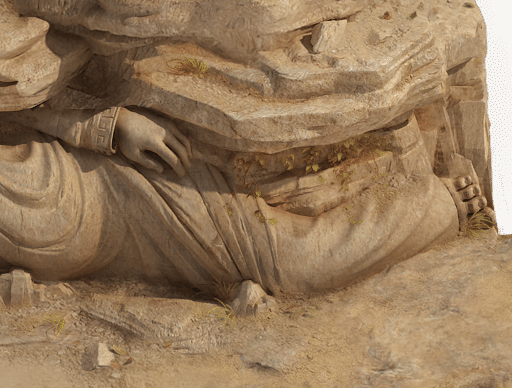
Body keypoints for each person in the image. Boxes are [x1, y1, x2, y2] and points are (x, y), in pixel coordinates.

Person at [0, 5, 494, 298]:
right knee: (292, 266)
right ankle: (438, 206)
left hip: (115, 172)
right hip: (147, 238)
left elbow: (16, 107)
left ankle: (403, 177)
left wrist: (112, 126)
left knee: (287, 204)